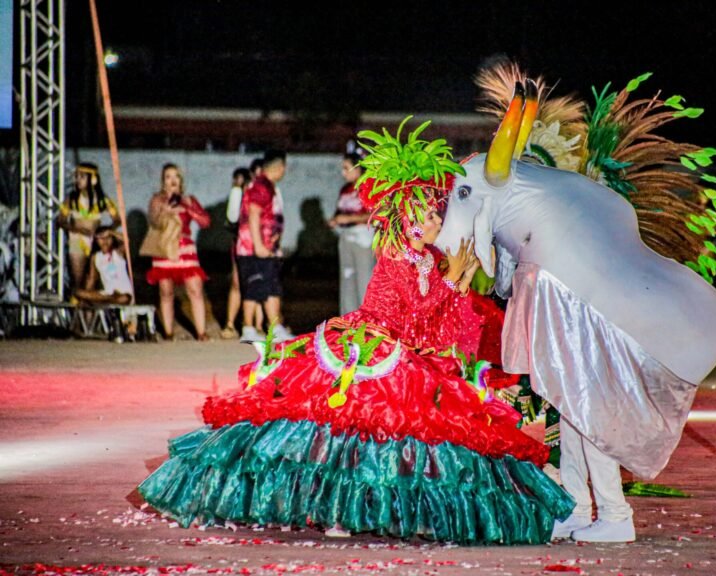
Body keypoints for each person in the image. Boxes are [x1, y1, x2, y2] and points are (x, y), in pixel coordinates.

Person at [139, 124, 573, 544]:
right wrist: (452, 279)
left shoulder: (430, 260)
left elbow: (436, 327)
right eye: (430, 214)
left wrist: (457, 281)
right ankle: (337, 508)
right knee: (354, 429)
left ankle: (398, 509)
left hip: (407, 353)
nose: (439, 221)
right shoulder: (396, 258)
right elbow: (405, 317)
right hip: (374, 347)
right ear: (410, 220)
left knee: (417, 432)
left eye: (437, 213)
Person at [145, 163, 212, 341]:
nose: (172, 180)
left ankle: (201, 332)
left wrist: (188, 209)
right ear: (163, 181)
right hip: (165, 248)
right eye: (168, 176)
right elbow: (153, 222)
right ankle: (168, 332)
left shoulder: (189, 199)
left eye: (176, 176)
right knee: (166, 291)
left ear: (181, 180)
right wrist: (164, 212)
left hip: (185, 248)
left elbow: (205, 222)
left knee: (195, 289)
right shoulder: (157, 200)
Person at [235, 150, 291, 343]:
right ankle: (248, 328)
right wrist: (258, 245)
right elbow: (253, 214)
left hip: (265, 247)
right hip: (253, 248)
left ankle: (274, 327)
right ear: (279, 167)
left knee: (270, 287)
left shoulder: (267, 185)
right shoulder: (262, 186)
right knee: (255, 286)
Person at [58, 163, 120, 291]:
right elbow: (60, 221)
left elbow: (117, 220)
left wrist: (107, 230)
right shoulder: (72, 199)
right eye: (77, 177)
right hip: (76, 240)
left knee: (93, 280)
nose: (78, 180)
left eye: (82, 177)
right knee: (77, 280)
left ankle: (90, 309)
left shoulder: (103, 200)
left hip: (95, 242)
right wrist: (77, 229)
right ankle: (75, 308)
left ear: (93, 179)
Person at [328, 152, 376, 314]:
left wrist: (348, 218)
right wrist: (335, 220)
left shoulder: (369, 187)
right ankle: (348, 320)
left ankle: (367, 319)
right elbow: (340, 212)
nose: (343, 172)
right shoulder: (345, 189)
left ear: (358, 168)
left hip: (363, 237)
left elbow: (376, 213)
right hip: (346, 236)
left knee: (364, 278)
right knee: (347, 278)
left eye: (346, 168)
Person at [220, 166, 264, 339]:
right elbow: (232, 218)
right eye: (235, 181)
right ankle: (230, 324)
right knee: (237, 283)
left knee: (258, 283)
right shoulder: (238, 195)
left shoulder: (260, 195)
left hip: (259, 244)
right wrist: (237, 192)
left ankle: (257, 324)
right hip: (241, 244)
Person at [74, 226, 133, 306]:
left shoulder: (117, 253)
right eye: (101, 238)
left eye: (108, 238)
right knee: (78, 292)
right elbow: (92, 279)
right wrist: (88, 295)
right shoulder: (96, 257)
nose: (105, 241)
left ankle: (105, 301)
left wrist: (111, 232)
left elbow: (127, 241)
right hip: (106, 294)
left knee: (124, 298)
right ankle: (106, 300)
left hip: (123, 294)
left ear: (112, 239)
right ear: (96, 240)